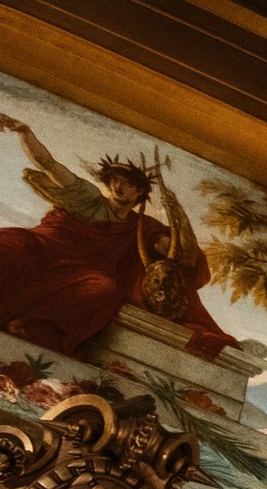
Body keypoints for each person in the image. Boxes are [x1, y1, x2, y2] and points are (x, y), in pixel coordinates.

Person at [0, 115, 236, 358]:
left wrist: (179, 214)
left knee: (104, 288)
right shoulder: (88, 197)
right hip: (46, 248)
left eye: (127, 184)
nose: (118, 187)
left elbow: (183, 255)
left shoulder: (142, 228)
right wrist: (25, 132)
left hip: (83, 272)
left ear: (140, 192)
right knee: (10, 244)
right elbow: (48, 164)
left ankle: (29, 325)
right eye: (115, 181)